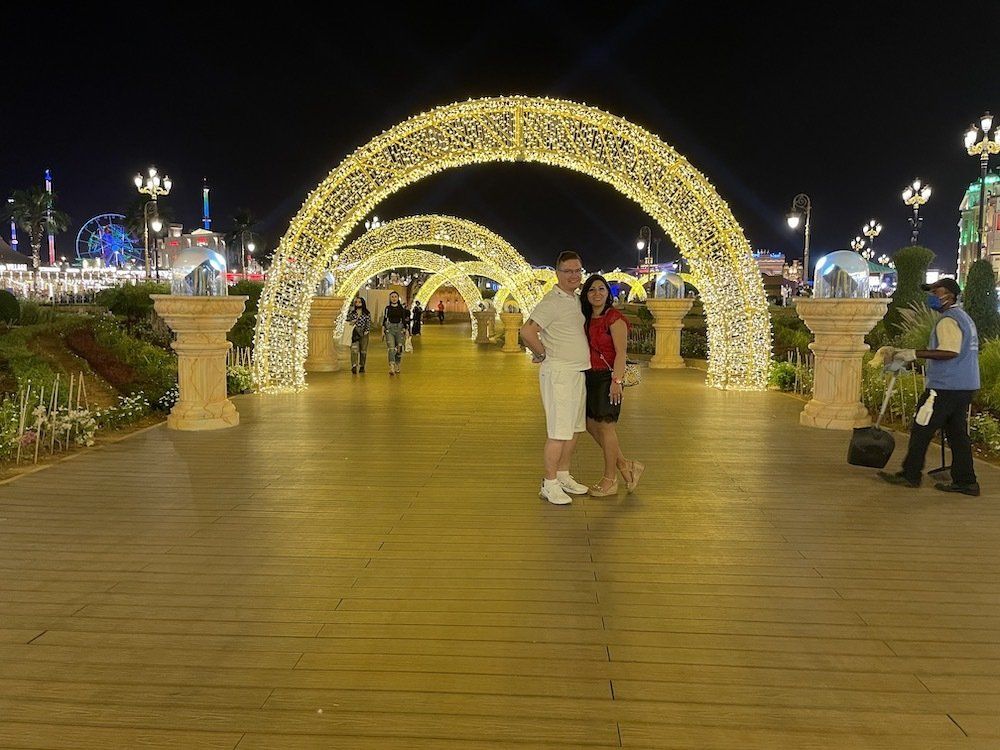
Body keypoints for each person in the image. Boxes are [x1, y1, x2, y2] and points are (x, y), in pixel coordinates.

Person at [878, 278, 981, 496]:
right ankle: (966, 481)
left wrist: (914, 354)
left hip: (944, 388)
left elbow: (950, 351)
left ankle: (910, 475)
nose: (932, 296)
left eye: (937, 292)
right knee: (957, 435)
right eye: (931, 292)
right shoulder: (964, 318)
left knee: (921, 428)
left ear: (950, 296)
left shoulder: (948, 320)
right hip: (963, 386)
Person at [520, 251, 592, 505]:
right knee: (559, 431)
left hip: (577, 372)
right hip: (559, 373)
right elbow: (527, 331)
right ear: (557, 273)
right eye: (568, 271)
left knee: (573, 429)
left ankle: (562, 475)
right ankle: (549, 483)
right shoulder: (551, 301)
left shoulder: (575, 299)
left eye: (577, 270)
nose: (574, 275)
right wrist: (541, 353)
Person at [580, 274, 644, 496]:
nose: (596, 293)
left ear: (608, 293)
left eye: (601, 289)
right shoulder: (586, 318)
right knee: (590, 424)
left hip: (608, 378)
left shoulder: (614, 318)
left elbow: (621, 354)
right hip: (589, 377)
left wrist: (617, 382)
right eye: (591, 290)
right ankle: (626, 465)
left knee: (607, 427)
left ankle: (611, 479)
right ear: (586, 295)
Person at [382, 291, 411, 376]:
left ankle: (397, 364)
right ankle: (391, 366)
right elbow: (385, 319)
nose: (394, 298)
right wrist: (382, 330)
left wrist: (406, 330)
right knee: (391, 348)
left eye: (395, 297)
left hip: (399, 329)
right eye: (392, 297)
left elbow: (404, 319)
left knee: (399, 348)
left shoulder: (401, 308)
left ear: (398, 298)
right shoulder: (387, 308)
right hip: (390, 329)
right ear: (390, 298)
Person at [345, 296, 372, 374]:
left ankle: (362, 365)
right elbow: (347, 320)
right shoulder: (352, 313)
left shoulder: (366, 313)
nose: (358, 303)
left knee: (363, 351)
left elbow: (368, 322)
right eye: (356, 302)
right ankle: (354, 365)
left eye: (359, 302)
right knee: (354, 349)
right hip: (354, 332)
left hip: (364, 333)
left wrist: (366, 330)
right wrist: (351, 321)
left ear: (363, 303)